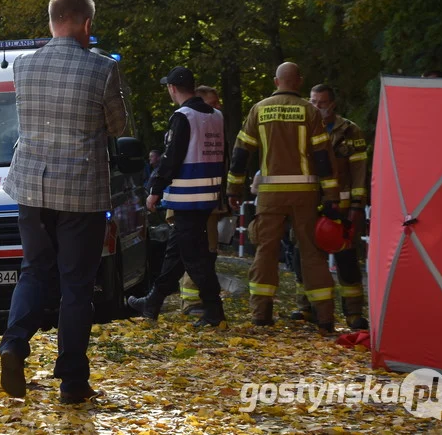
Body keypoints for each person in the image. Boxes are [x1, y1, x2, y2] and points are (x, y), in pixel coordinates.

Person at [0, 0, 128, 405]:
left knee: (34, 270)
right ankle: (72, 382)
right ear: (87, 24)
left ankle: (13, 344)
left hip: (31, 187)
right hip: (80, 192)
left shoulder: (22, 66)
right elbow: (118, 125)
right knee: (76, 285)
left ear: (52, 21)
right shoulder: (103, 69)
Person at [227, 62, 341, 331]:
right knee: (311, 253)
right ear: (299, 81)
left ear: (276, 82)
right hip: (305, 195)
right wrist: (332, 194)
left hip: (270, 195)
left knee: (265, 251)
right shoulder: (309, 111)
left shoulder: (259, 109)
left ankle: (261, 314)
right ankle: (324, 317)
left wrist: (233, 189)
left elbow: (241, 153)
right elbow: (323, 156)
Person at [126, 67, 226, 327]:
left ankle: (214, 311)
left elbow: (172, 157)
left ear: (172, 88)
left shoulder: (183, 116)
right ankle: (153, 301)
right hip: (208, 195)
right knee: (177, 252)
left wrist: (155, 189)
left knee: (194, 256)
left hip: (187, 197)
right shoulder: (216, 116)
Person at [288, 84, 369, 330]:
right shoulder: (301, 128)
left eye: (321, 103)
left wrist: (356, 206)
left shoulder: (349, 130)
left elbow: (359, 171)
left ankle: (354, 313)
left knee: (346, 260)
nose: (316, 107)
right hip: (309, 204)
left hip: (343, 209)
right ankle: (306, 307)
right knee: (305, 257)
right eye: (312, 102)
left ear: (332, 104)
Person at [177, 84, 228, 315]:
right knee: (200, 249)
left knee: (203, 249)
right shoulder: (191, 122)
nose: (217, 107)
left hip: (206, 198)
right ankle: (192, 301)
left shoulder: (213, 123)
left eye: (218, 102)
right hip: (193, 198)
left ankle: (157, 300)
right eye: (213, 103)